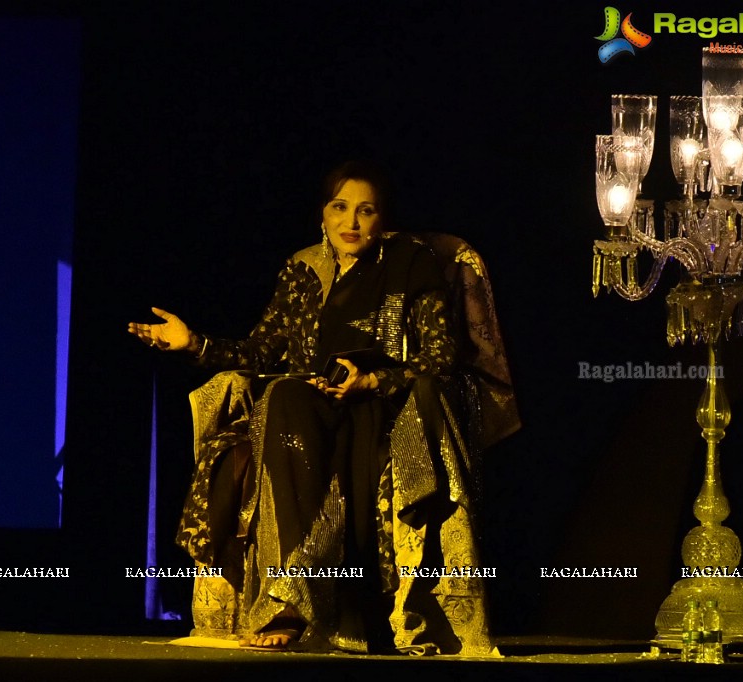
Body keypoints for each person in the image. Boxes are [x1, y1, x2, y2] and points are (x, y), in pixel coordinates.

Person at [129, 161, 514, 654]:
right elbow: (259, 352)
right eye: (340, 207)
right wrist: (193, 344)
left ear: (382, 221)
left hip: (384, 404)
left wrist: (373, 379)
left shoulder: (410, 264)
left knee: (290, 403)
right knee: (282, 396)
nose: (351, 221)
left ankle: (309, 606)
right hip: (309, 403)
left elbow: (439, 356)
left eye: (365, 211)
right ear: (323, 217)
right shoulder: (302, 269)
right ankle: (295, 597)